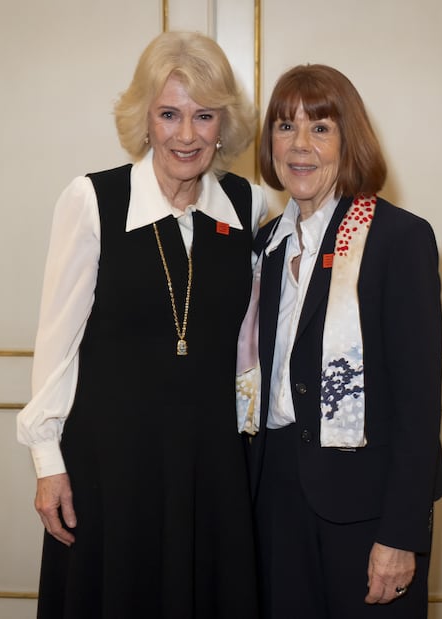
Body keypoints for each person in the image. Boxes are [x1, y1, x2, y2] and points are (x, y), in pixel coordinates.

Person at [17, 31, 266, 619]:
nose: (186, 135)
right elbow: (56, 342)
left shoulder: (247, 205)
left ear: (223, 124)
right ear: (145, 119)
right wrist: (48, 464)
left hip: (211, 464)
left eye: (204, 116)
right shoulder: (91, 201)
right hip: (112, 460)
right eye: (169, 114)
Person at [239, 64, 442, 618]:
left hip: (364, 506)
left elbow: (418, 405)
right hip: (275, 496)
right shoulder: (266, 248)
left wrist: (402, 535)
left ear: (347, 139)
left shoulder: (398, 239)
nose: (299, 146)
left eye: (320, 128)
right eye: (285, 127)